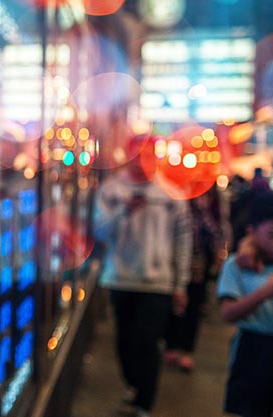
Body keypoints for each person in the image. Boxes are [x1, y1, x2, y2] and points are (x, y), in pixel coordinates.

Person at [95, 136, 192, 417]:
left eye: (149, 154)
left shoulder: (171, 194)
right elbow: (99, 231)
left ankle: (144, 402)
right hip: (120, 279)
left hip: (157, 283)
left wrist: (180, 284)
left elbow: (182, 241)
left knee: (147, 341)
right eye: (138, 154)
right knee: (124, 340)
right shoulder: (113, 189)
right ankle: (135, 386)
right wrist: (124, 211)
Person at [217, 191, 273, 417]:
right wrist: (264, 293)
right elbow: (228, 313)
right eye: (271, 234)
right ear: (251, 231)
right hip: (252, 351)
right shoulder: (235, 265)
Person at [164, 187, 226, 372]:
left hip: (197, 266)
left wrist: (218, 253)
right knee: (175, 307)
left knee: (192, 307)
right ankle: (172, 345)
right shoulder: (173, 203)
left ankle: (185, 349)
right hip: (174, 265)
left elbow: (214, 231)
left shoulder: (201, 209)